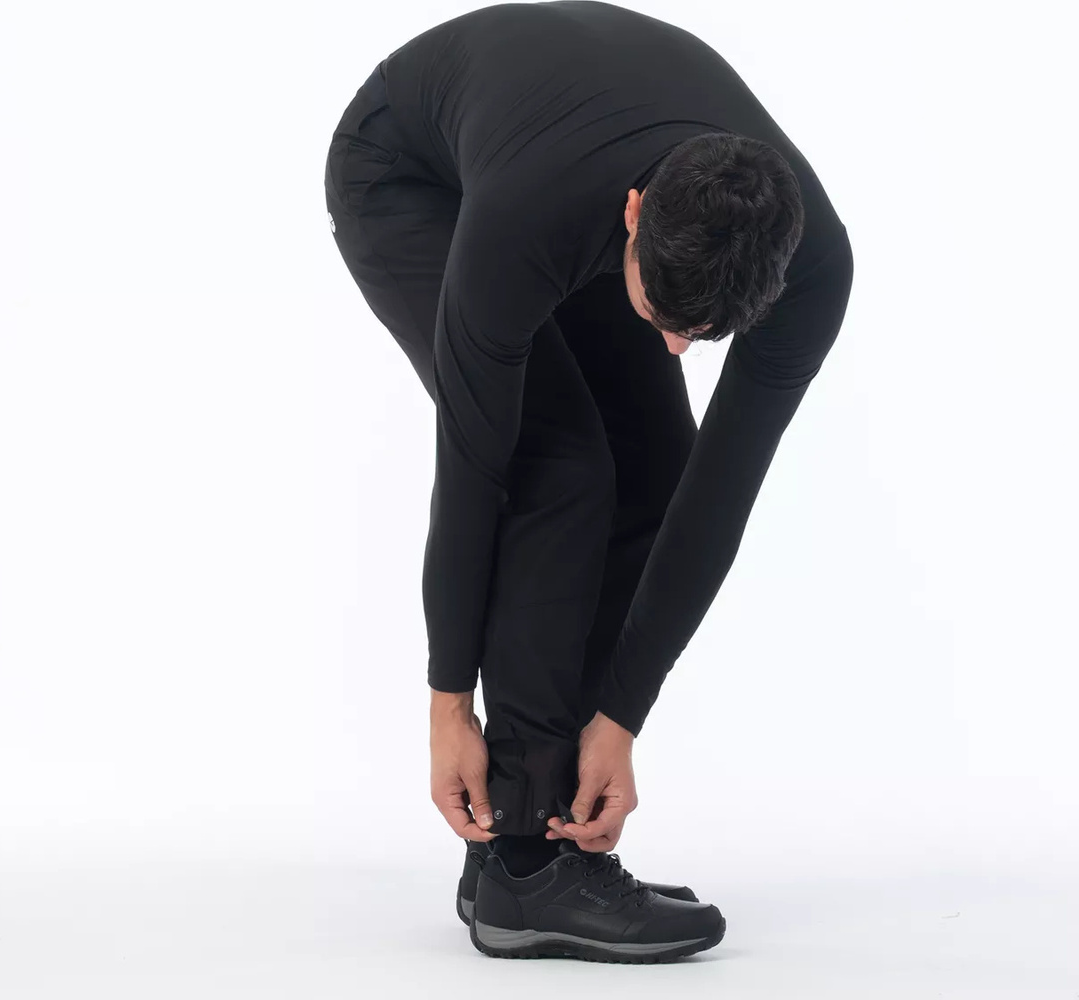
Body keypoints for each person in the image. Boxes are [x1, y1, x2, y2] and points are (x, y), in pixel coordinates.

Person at [324, 0, 853, 962]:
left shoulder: (815, 266)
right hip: (410, 171)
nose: (675, 349)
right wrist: (448, 703)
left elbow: (715, 497)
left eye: (704, 335)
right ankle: (528, 868)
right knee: (556, 463)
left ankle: (526, 838)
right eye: (664, 315)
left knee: (658, 463)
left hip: (565, 147)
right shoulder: (525, 221)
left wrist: (620, 715)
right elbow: (476, 465)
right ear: (636, 215)